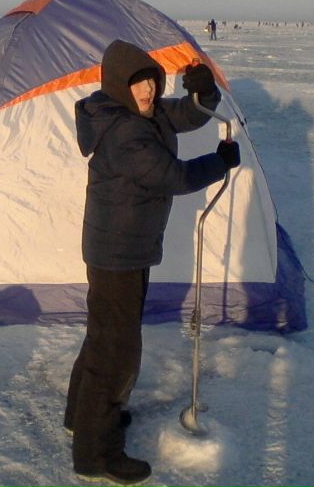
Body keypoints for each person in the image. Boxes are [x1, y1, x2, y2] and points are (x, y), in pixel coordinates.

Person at [64, 40, 240, 484]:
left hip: (122, 248)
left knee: (103, 337)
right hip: (118, 254)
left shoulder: (135, 112)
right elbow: (173, 176)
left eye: (151, 81)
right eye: (137, 83)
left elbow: (187, 114)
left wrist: (204, 93)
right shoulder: (125, 131)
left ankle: (81, 420)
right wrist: (219, 162)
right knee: (117, 353)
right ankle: (96, 454)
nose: (146, 91)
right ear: (119, 86)